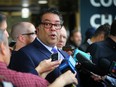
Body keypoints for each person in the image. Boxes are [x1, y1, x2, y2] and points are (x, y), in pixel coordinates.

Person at [9, 8, 79, 85]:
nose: (53, 28)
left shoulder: (65, 54)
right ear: (37, 29)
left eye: (57, 25)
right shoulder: (23, 55)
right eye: (47, 24)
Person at [0, 29, 78, 87]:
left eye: (64, 37)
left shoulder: (64, 54)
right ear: (3, 48)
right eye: (33, 33)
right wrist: (63, 80)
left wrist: (42, 73)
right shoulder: (9, 76)